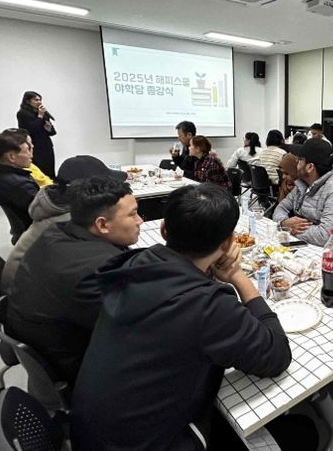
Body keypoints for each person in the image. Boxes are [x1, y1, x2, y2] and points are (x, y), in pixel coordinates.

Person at [70, 183, 308, 451]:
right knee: (302, 432)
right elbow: (277, 356)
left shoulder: (134, 264)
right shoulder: (208, 306)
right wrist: (238, 277)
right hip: (153, 443)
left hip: (91, 434)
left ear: (164, 230)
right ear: (228, 243)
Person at [6, 176, 142, 387]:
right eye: (133, 214)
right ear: (102, 224)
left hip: (46, 339)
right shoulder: (95, 271)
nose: (140, 220)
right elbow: (137, 328)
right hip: (77, 367)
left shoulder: (56, 232)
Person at [1, 155, 127, 293]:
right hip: (25, 291)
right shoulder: (72, 219)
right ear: (90, 192)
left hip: (27, 282)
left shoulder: (56, 205)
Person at [273, 138, 333, 246]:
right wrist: (284, 223)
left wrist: (290, 229)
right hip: (304, 245)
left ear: (310, 167)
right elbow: (281, 207)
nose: (296, 163)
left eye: (300, 160)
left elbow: (325, 236)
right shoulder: (303, 184)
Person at [0, 129, 39, 230]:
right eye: (27, 150)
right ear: (11, 157)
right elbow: (46, 210)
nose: (31, 155)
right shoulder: (20, 185)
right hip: (35, 232)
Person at [17, 91, 56, 178]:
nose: (39, 102)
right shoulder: (22, 114)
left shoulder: (42, 113)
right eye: (36, 100)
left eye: (40, 100)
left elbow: (53, 132)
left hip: (46, 145)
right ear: (28, 101)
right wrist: (40, 116)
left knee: (50, 171)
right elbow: (32, 129)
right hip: (34, 147)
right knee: (38, 172)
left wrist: (49, 128)